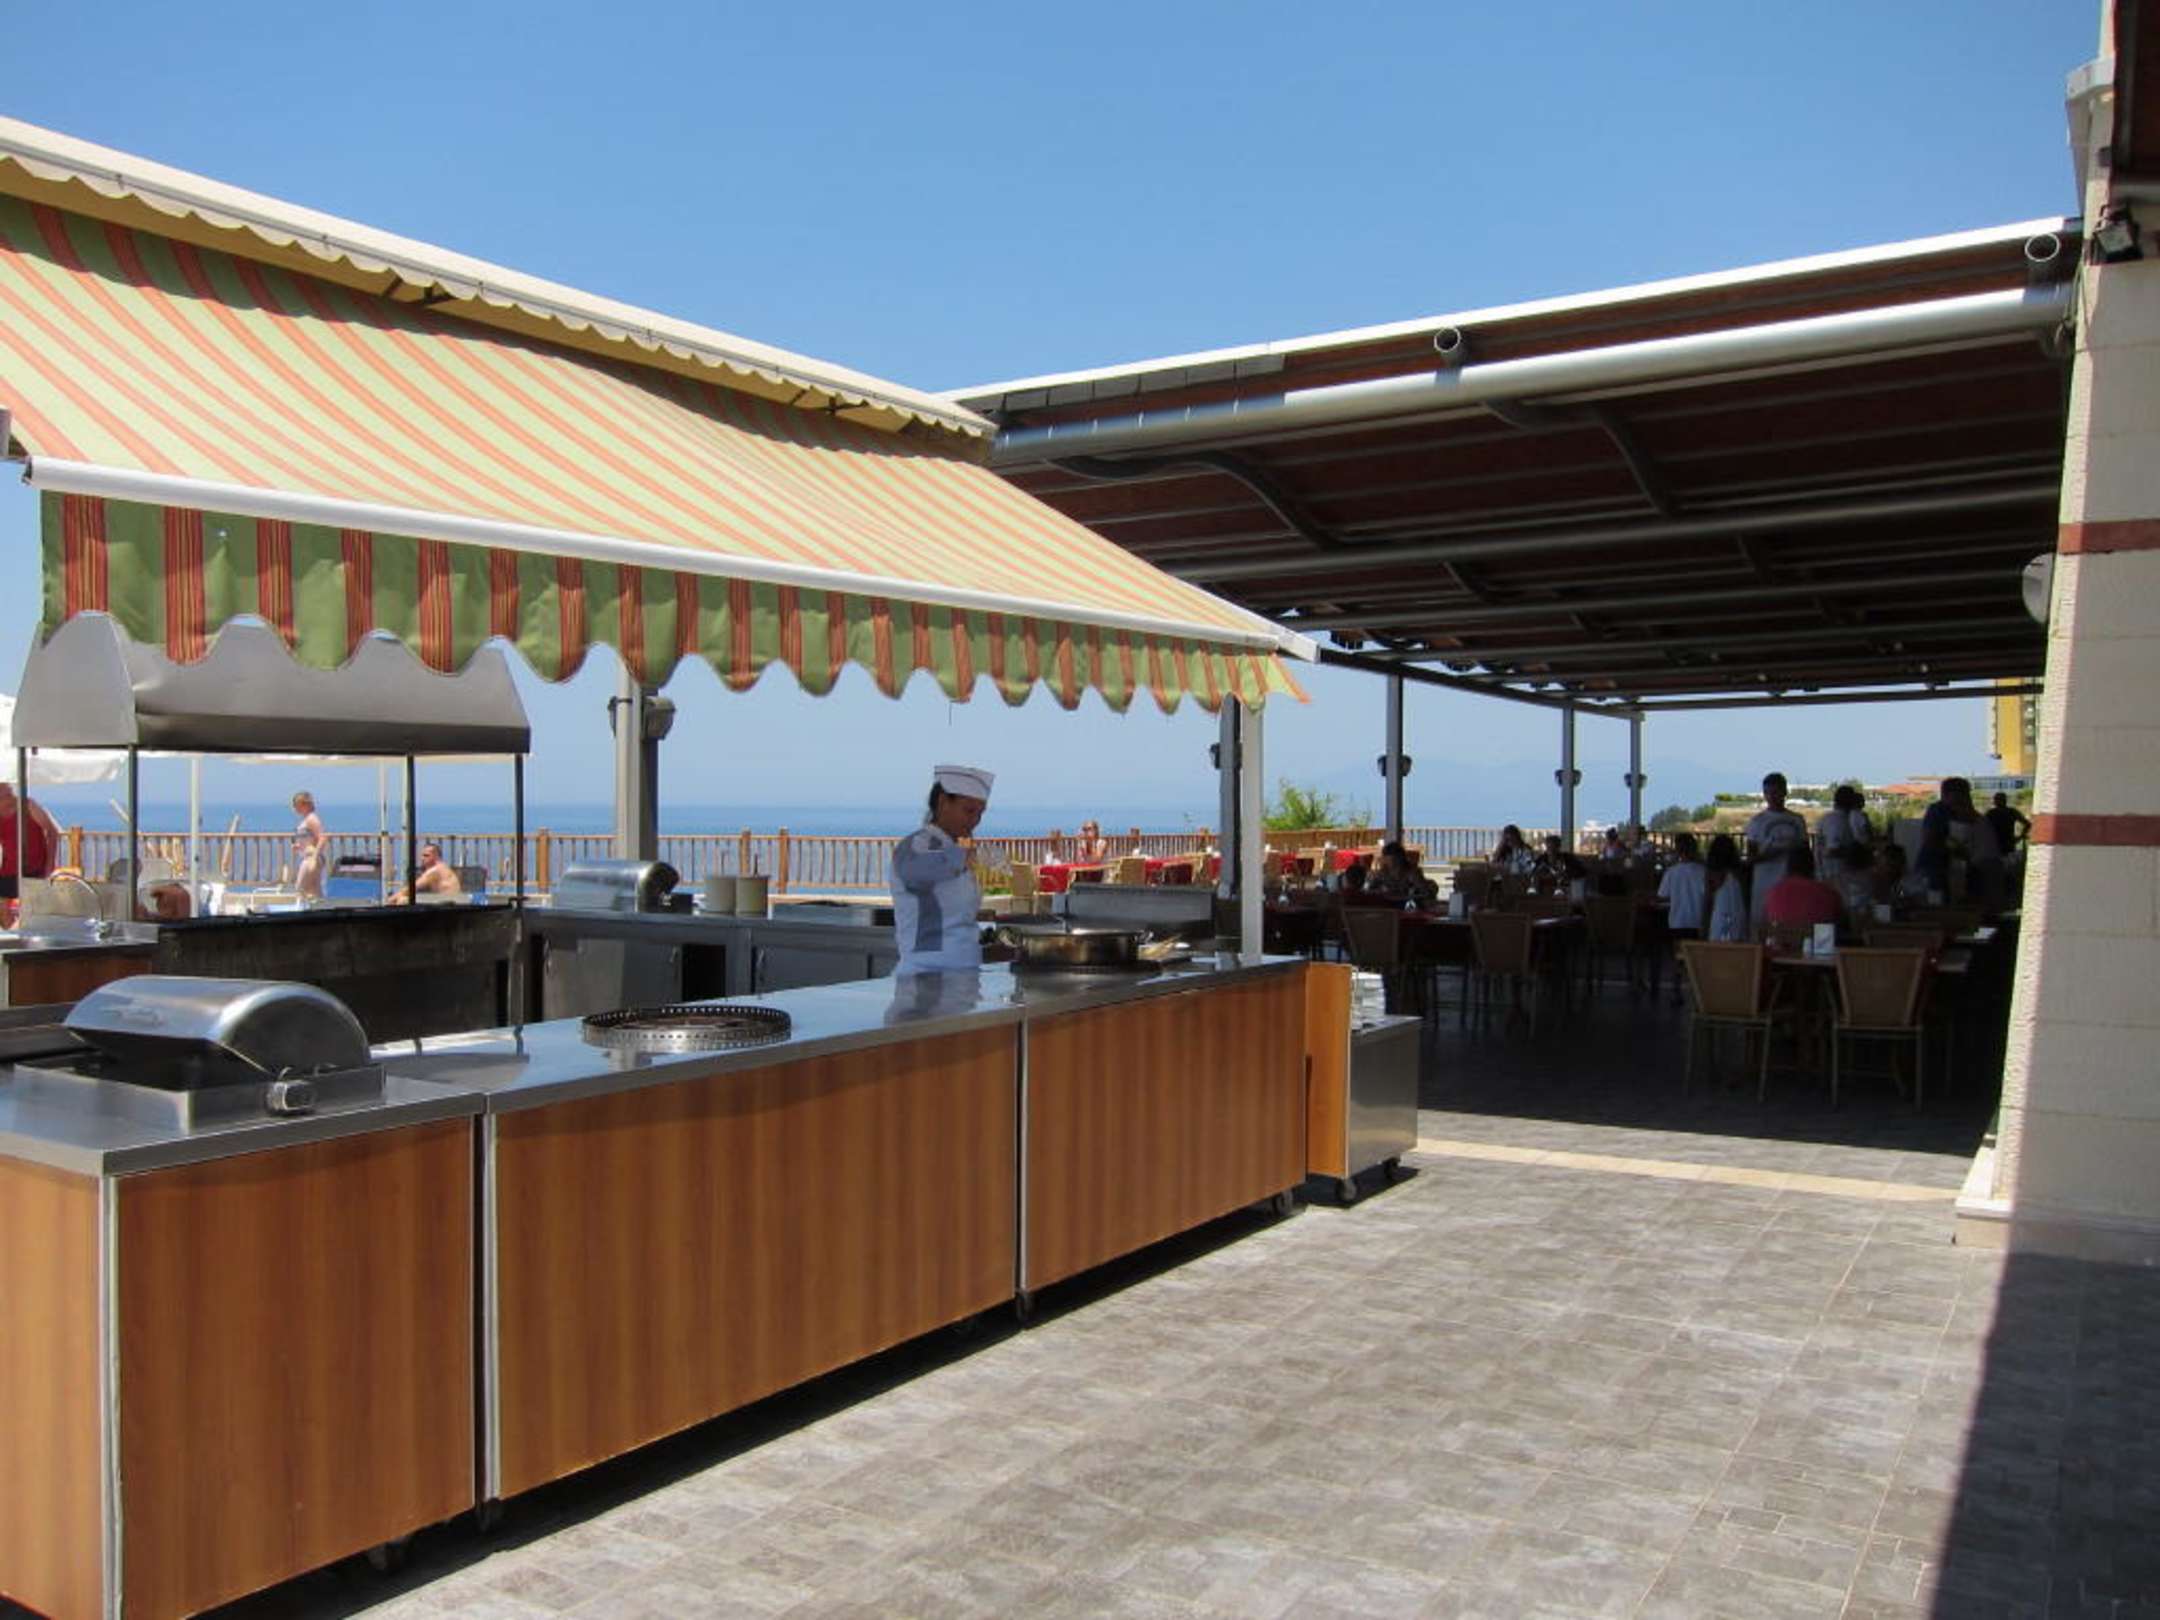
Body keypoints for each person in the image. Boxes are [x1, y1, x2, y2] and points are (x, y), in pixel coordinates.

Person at [890, 764, 993, 974]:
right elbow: (918, 872)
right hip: (924, 975)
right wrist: (964, 856)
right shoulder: (915, 845)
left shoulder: (952, 848)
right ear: (943, 802)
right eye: (969, 811)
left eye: (980, 813)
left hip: (963, 973)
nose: (975, 821)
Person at [1744, 772, 1809, 933]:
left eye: (1775, 792)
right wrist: (1774, 853)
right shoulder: (1757, 822)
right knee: (1762, 927)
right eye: (1768, 793)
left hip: (1792, 884)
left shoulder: (1797, 820)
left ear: (1784, 792)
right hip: (1764, 885)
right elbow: (1751, 857)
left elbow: (1805, 852)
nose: (1772, 796)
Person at [0, 780, 62, 901]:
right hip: (8, 874)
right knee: (7, 909)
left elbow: (52, 831)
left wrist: (50, 867)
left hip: (34, 873)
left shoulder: (27, 806)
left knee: (31, 908)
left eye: (8, 792)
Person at [1763, 845, 1843, 932]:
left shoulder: (1773, 893)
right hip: (1817, 940)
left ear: (1788, 867)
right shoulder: (1827, 893)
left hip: (1782, 939)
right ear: (1812, 867)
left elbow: (1767, 922)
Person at [1817, 784, 1872, 880]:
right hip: (1835, 875)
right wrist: (1859, 853)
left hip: (1831, 874)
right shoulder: (1837, 821)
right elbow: (1832, 850)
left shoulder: (1829, 818)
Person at [1657, 832, 1707, 937]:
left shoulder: (1671, 872)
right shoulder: (1703, 872)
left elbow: (1662, 896)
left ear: (1677, 850)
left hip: (1677, 922)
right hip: (1698, 922)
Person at [390, 841, 464, 905]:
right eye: (422, 855)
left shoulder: (435, 871)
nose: (422, 858)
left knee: (403, 900)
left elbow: (410, 889)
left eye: (426, 855)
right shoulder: (443, 867)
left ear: (436, 857)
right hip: (450, 903)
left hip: (447, 904)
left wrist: (388, 901)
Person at [1705, 834, 1748, 942]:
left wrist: (1704, 925)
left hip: (1719, 916)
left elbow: (1708, 900)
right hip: (1738, 916)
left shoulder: (1713, 874)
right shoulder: (1740, 873)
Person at [291, 790, 327, 901]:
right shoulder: (307, 819)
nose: (295, 808)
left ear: (304, 804)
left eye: (296, 805)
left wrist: (314, 858)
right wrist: (299, 846)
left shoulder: (312, 819)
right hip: (309, 857)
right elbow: (310, 839)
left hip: (311, 858)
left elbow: (322, 837)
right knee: (315, 891)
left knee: (300, 890)